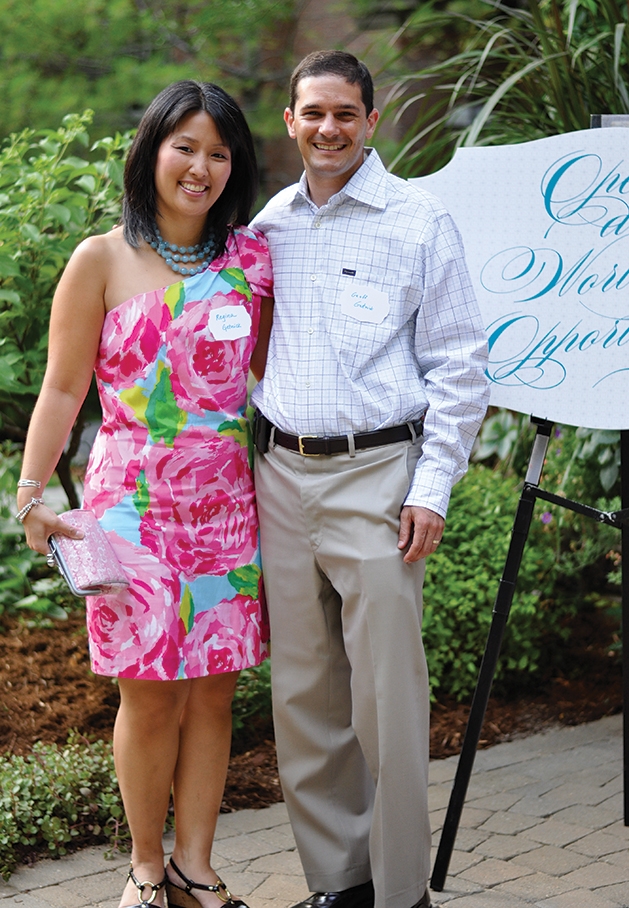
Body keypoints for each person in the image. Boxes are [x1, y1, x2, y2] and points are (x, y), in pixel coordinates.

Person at [16, 80, 273, 908]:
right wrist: (28, 500)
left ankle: (198, 866)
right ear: (151, 151)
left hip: (229, 507)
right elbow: (60, 392)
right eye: (185, 147)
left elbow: (268, 378)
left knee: (214, 690)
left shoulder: (251, 261)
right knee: (150, 692)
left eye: (219, 154)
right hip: (130, 508)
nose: (200, 168)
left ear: (235, 168)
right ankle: (145, 868)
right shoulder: (100, 258)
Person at [251, 51, 490, 908]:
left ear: (370, 120)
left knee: (386, 702)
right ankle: (338, 886)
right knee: (304, 700)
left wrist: (431, 487)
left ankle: (399, 895)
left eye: (344, 113)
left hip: (377, 477)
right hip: (280, 476)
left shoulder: (417, 221)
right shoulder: (269, 224)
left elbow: (461, 366)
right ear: (289, 119)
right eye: (312, 112)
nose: (327, 129)